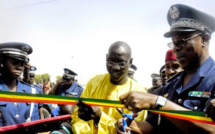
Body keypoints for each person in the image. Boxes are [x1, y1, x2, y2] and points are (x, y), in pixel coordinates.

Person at [117, 4, 215, 134]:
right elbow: (153, 125)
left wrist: (158, 102)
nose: (176, 48)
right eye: (174, 43)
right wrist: (131, 126)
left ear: (204, 39)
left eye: (182, 41)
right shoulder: (172, 85)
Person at [71, 41, 147, 134]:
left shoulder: (139, 94)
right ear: (106, 58)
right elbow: (76, 116)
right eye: (111, 61)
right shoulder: (94, 82)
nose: (115, 67)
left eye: (121, 63)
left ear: (130, 62)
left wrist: (100, 117)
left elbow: (132, 130)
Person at [0, 42, 40, 126]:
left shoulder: (31, 92)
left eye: (22, 64)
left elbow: (34, 125)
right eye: (14, 62)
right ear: (2, 62)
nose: (19, 67)